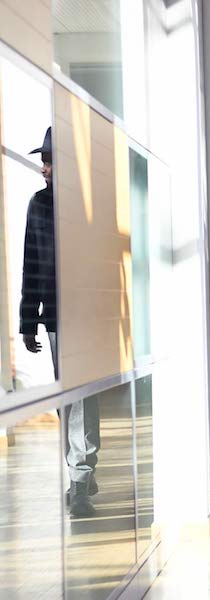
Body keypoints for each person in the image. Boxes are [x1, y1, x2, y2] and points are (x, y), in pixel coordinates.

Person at [22, 127, 100, 518]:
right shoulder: (38, 205)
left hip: (86, 315)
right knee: (68, 399)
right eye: (43, 161)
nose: (44, 169)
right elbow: (31, 262)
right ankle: (82, 467)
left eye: (50, 161)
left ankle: (80, 478)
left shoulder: (87, 204)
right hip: (54, 314)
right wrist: (27, 319)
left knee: (81, 397)